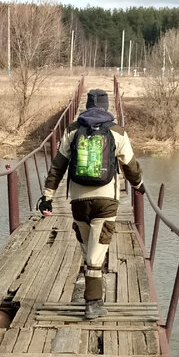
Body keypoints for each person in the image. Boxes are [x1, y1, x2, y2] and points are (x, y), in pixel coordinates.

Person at [38, 88, 144, 319]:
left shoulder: (72, 130)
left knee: (89, 248)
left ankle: (92, 290)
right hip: (106, 200)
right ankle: (93, 302)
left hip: (78, 201)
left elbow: (58, 166)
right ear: (107, 107)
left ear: (86, 107)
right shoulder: (117, 131)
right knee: (96, 253)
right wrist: (139, 185)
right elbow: (131, 165)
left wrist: (48, 196)